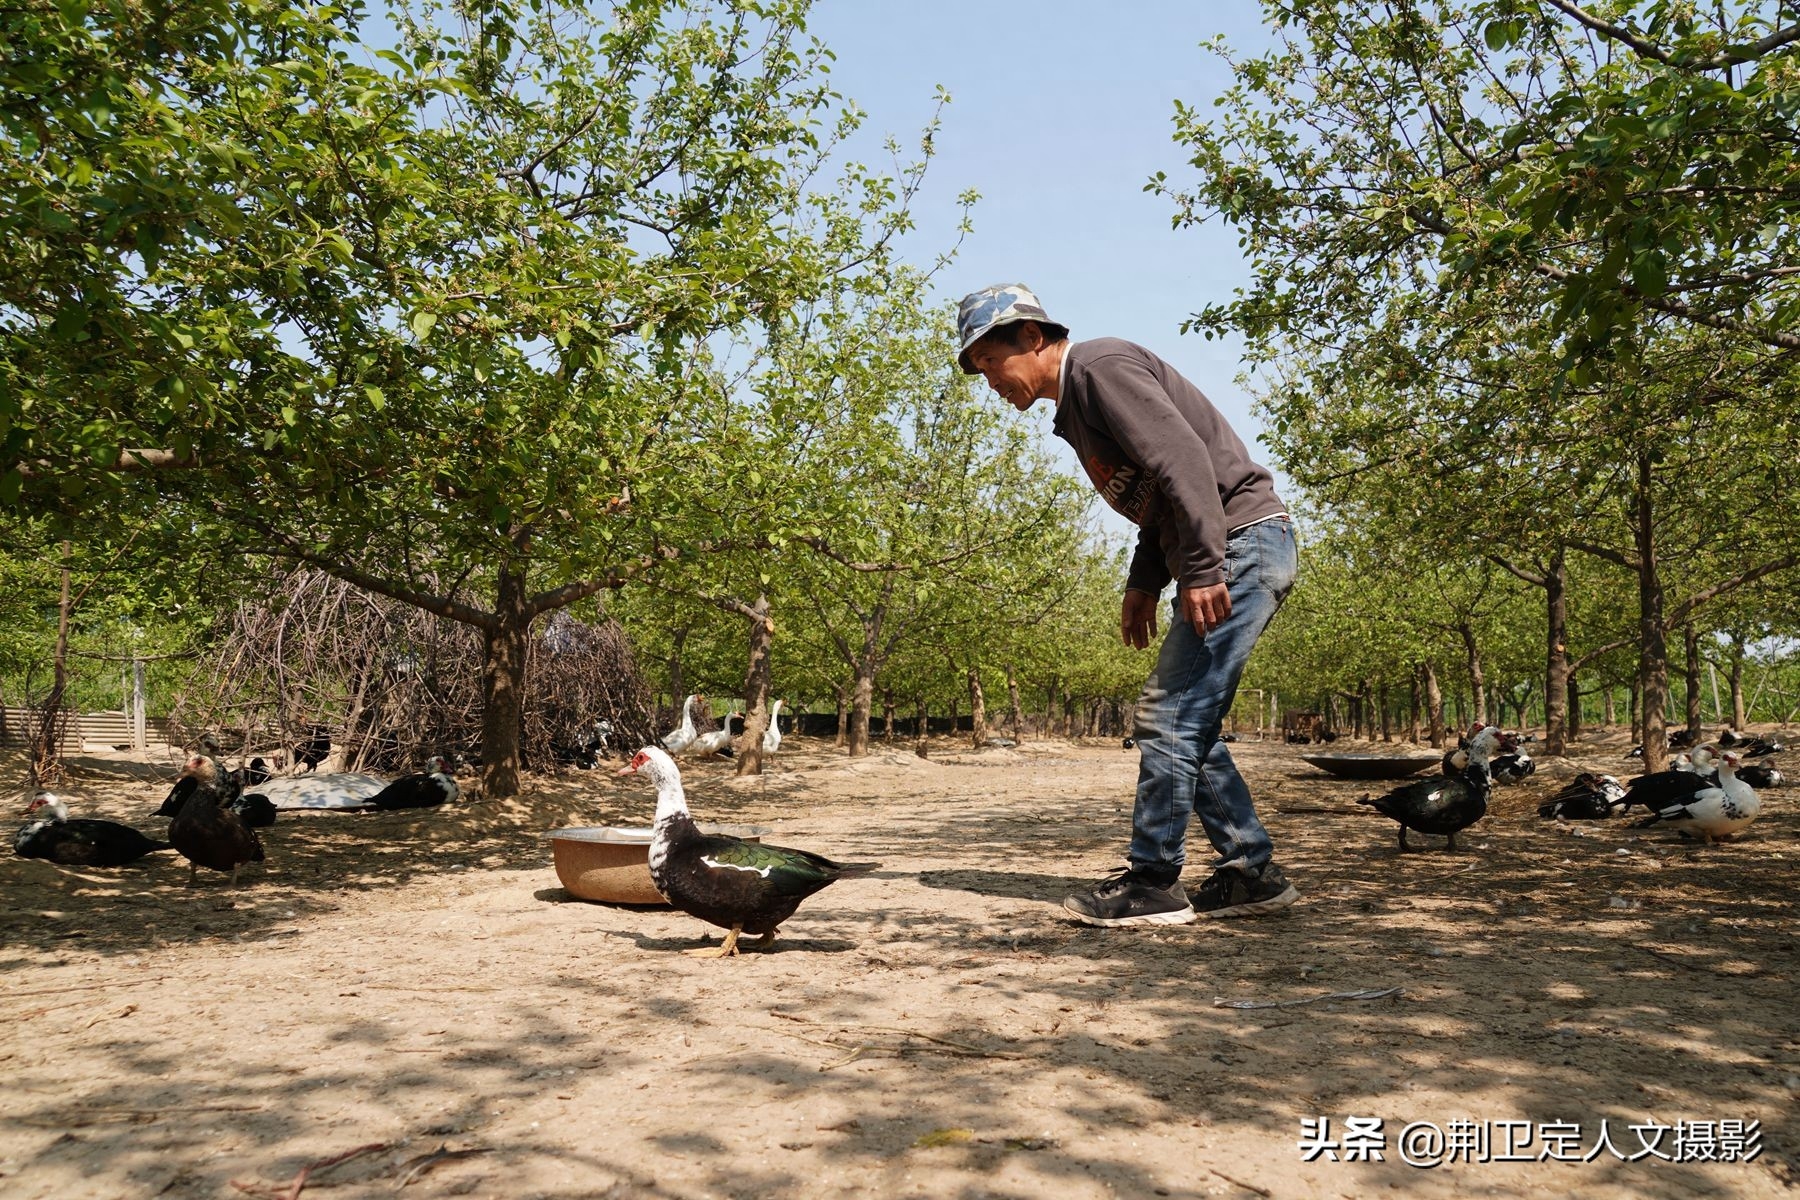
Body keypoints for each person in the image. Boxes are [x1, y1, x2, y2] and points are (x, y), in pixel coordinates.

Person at [956, 284, 1300, 925]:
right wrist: (1145, 582)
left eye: (992, 363)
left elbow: (1184, 461)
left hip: (1239, 542)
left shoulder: (1099, 367)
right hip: (1229, 545)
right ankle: (1250, 873)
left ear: (1032, 338)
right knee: (1183, 721)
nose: (991, 383)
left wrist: (1199, 566)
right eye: (978, 373)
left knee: (1167, 718)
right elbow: (1155, 500)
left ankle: (1153, 884)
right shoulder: (1079, 407)